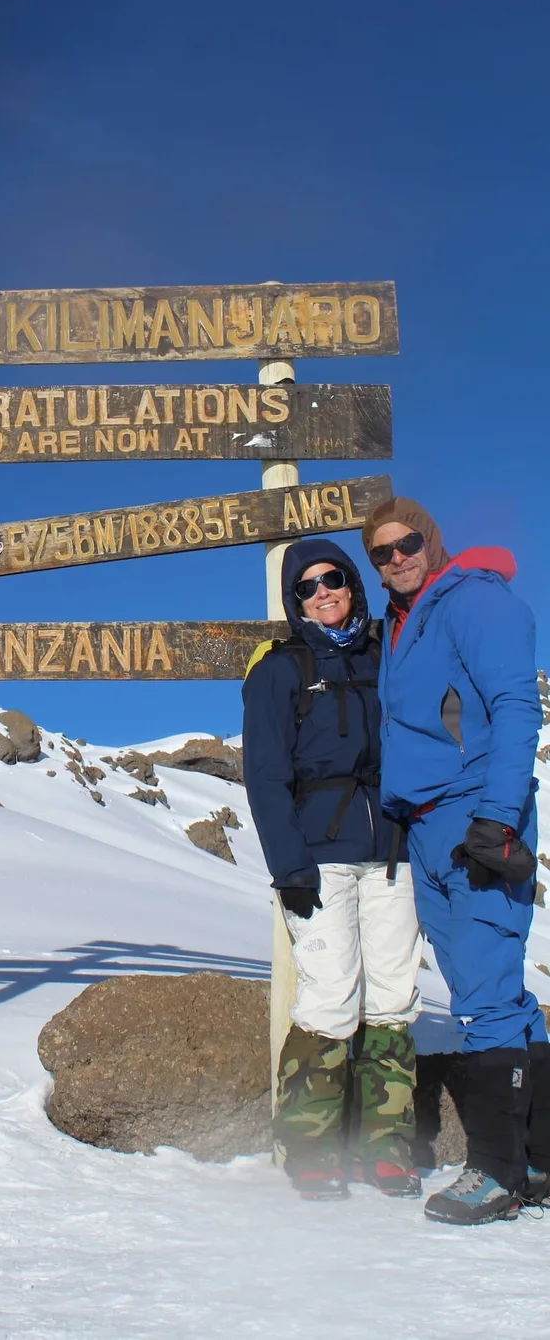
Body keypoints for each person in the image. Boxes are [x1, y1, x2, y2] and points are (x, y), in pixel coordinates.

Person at [364, 497, 548, 1225]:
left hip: (475, 818)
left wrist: (496, 819)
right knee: (499, 993)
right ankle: (537, 1158)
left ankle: (495, 1172)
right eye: (382, 553)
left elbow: (517, 706)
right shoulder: (400, 623)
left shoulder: (471, 600)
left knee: (484, 996)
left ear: (431, 541)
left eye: (407, 543)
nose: (397, 558)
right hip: (427, 828)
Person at [243, 537, 423, 1201]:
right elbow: (265, 775)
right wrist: (289, 867)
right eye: (307, 586)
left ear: (353, 583)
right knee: (329, 994)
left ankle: (387, 1147)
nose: (323, 593)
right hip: (320, 860)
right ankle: (311, 1149)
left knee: (394, 995)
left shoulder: (385, 656)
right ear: (295, 601)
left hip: (392, 855)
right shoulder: (280, 669)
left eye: (334, 579)